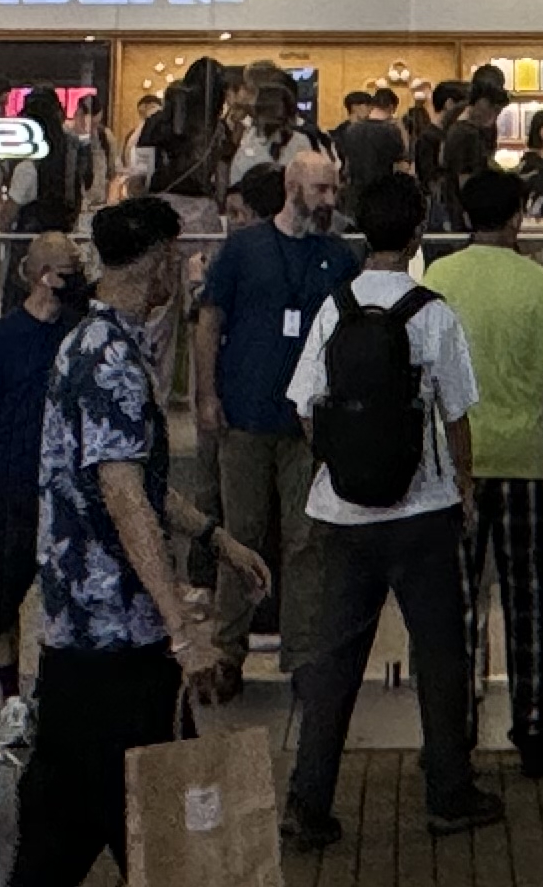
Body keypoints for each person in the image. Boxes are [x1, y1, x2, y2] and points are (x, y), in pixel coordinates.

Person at [17, 199, 266, 887]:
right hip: (117, 637)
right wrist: (181, 628)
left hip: (78, 632)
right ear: (157, 261)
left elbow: (139, 483)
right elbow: (124, 496)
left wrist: (214, 536)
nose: (180, 274)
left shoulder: (93, 342)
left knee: (64, 829)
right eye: (176, 259)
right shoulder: (113, 360)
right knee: (160, 830)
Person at [280, 171, 495, 847]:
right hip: (423, 511)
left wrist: (345, 460)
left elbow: (305, 407)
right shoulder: (432, 312)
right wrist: (463, 486)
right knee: (441, 654)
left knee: (334, 663)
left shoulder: (335, 307)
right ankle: (449, 793)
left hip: (342, 514)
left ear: (359, 230)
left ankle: (308, 802)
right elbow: (457, 414)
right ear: (418, 234)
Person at [428, 165, 543, 778]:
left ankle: (454, 731)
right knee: (528, 598)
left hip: (454, 466)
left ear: (465, 217)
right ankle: (534, 727)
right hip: (526, 460)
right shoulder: (540, 285)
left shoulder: (438, 279)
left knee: (456, 602)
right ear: (518, 216)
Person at [191, 145, 353, 692]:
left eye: (333, 190)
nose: (329, 200)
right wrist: (206, 394)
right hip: (246, 413)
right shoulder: (243, 249)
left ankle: (302, 652)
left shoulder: (338, 256)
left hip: (307, 423)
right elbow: (210, 321)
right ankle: (227, 650)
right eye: (320, 189)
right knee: (241, 534)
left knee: (305, 538)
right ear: (292, 188)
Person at [0, 231, 78, 714]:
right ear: (43, 275)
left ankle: (48, 691)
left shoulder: (79, 332)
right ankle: (11, 695)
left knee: (67, 595)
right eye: (67, 271)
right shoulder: (1, 340)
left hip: (66, 487)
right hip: (15, 484)